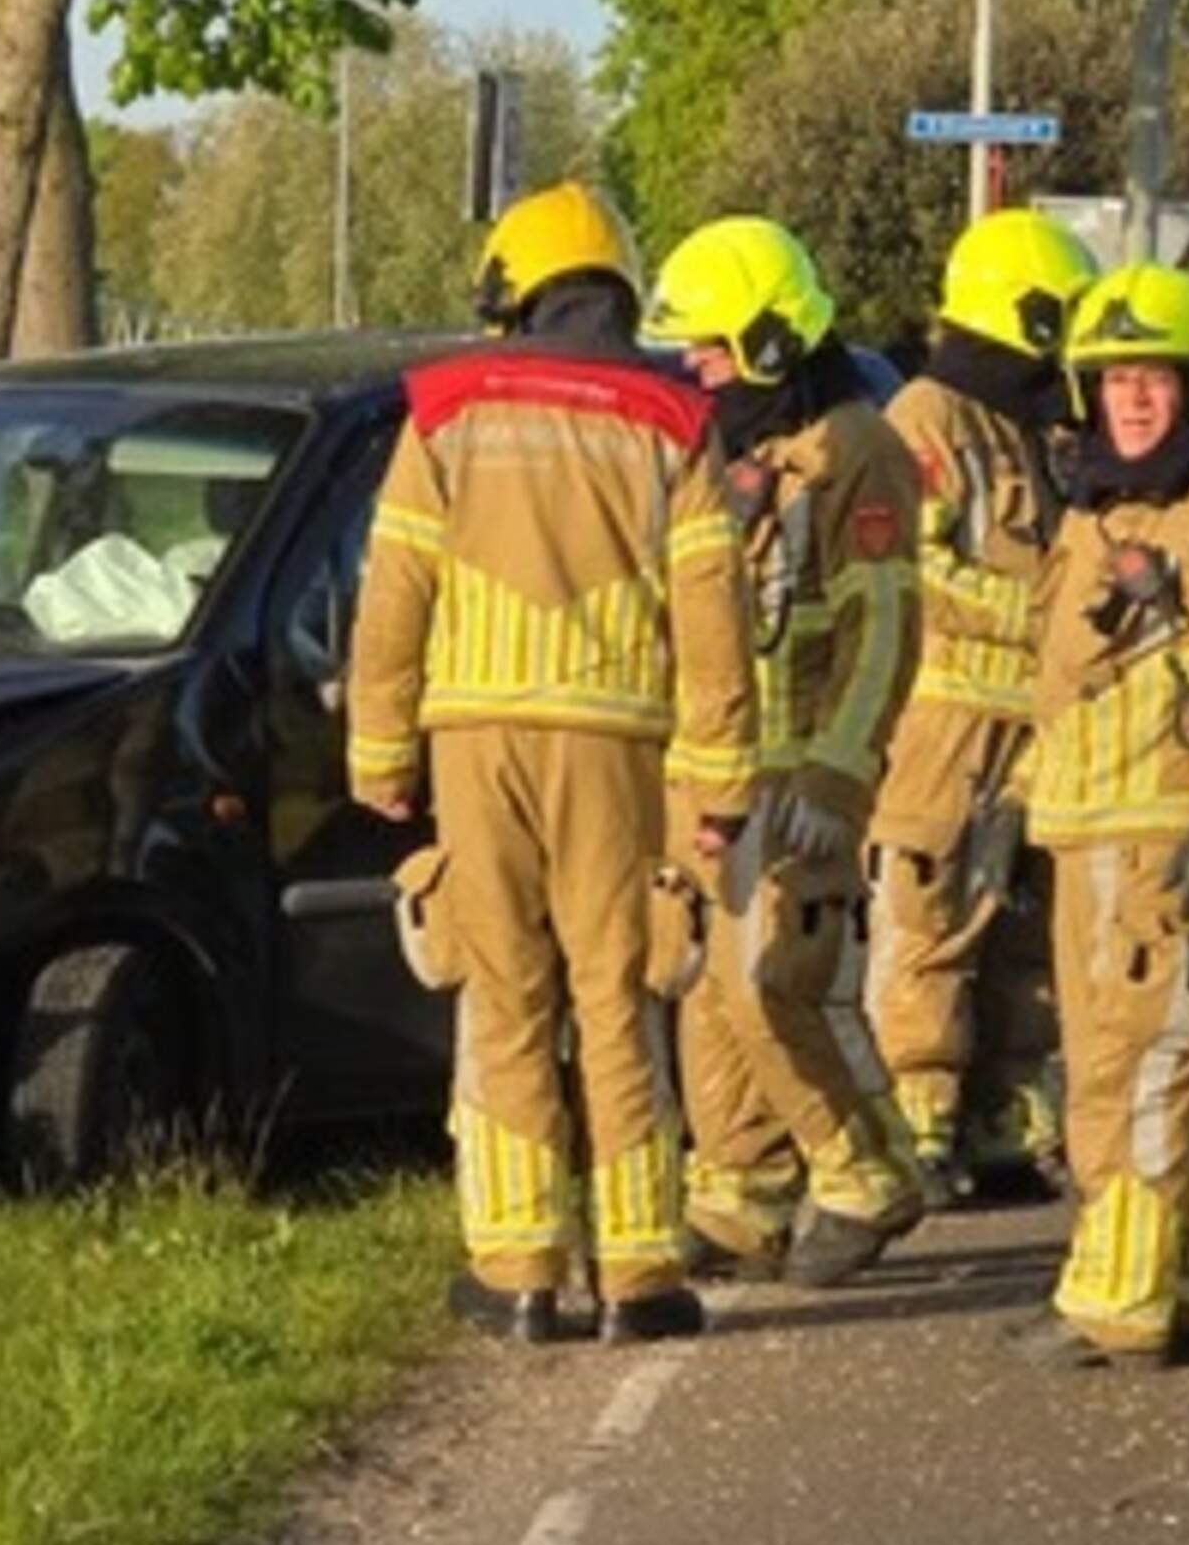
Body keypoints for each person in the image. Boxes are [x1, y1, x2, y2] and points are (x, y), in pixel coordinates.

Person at [347, 183, 756, 1345]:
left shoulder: (445, 410)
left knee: (507, 999)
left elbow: (396, 593)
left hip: (475, 739)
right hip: (616, 744)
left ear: (513, 291)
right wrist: (720, 786)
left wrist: (380, 752)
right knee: (618, 1004)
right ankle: (639, 1281)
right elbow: (712, 615)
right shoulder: (673, 420)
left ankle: (521, 1274)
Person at [1015, 261, 1189, 1369]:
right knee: (1121, 1062)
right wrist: (1015, 801)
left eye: (1157, 379)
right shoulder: (1093, 508)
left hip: (1162, 840)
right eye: (1116, 378)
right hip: (1084, 835)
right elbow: (1069, 675)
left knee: (1128, 1076)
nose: (1134, 400)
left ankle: (1117, 1306)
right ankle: (1182, 1289)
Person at [643, 216, 931, 1287]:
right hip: (731, 767)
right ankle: (742, 1193)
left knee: (774, 985)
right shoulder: (740, 451)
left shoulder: (857, 452)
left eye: (709, 351)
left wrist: (835, 772)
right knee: (710, 991)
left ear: (769, 343)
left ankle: (866, 1171)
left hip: (804, 771)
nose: (692, 371)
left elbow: (884, 630)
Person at [865, 208, 1097, 1206]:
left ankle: (1002, 1122)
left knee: (1025, 929)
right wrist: (1053, 617)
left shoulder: (1033, 430)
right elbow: (917, 569)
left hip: (1037, 731)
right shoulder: (925, 421)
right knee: (933, 916)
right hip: (946, 728)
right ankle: (920, 1126)